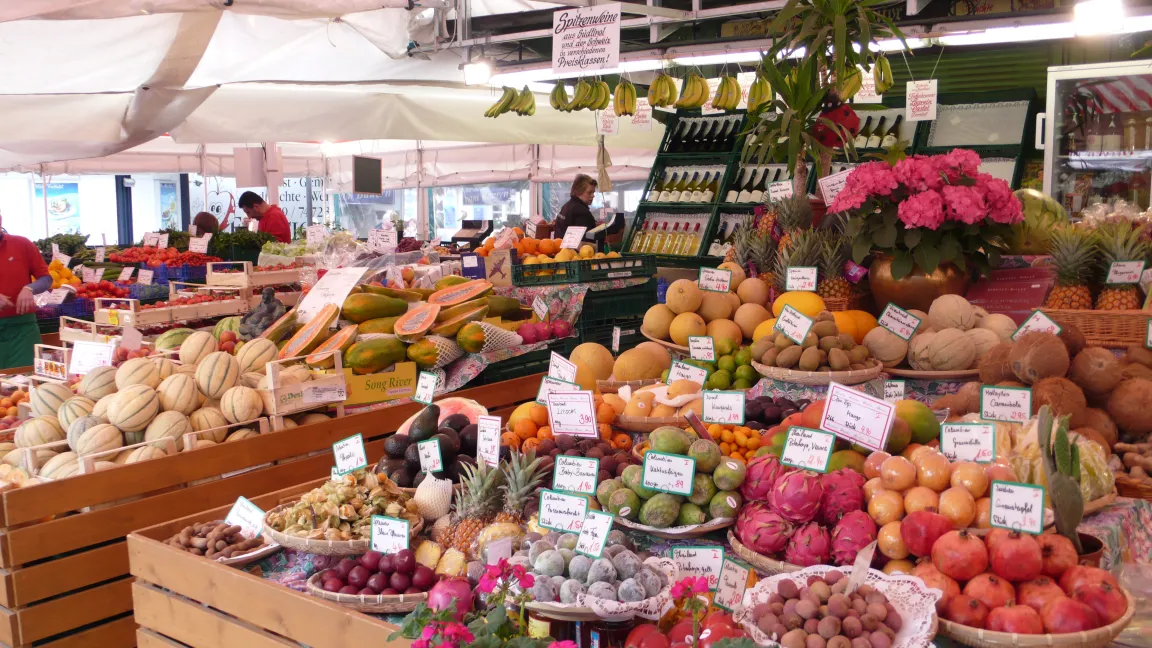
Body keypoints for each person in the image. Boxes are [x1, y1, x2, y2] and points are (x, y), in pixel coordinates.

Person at [0, 214, 50, 369]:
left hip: (23, 329)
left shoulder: (22, 244)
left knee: (30, 382)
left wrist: (30, 288)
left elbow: (46, 279)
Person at [553, 174, 598, 242]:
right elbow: (587, 240)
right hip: (575, 252)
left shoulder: (566, 206)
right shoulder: (581, 211)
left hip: (560, 249)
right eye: (589, 192)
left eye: (593, 192)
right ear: (578, 192)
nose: (593, 196)